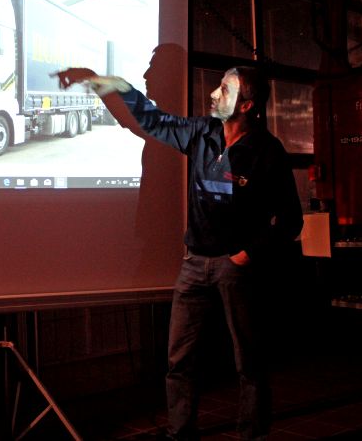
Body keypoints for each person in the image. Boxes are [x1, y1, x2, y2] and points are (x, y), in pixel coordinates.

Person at [54, 63, 303, 441]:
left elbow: (290, 220)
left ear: (247, 105)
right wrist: (111, 83)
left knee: (249, 360)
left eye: (225, 89)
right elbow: (152, 120)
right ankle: (179, 433)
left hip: (236, 268)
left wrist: (248, 254)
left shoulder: (268, 152)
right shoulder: (202, 132)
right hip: (193, 263)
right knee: (179, 359)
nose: (214, 94)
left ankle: (252, 434)